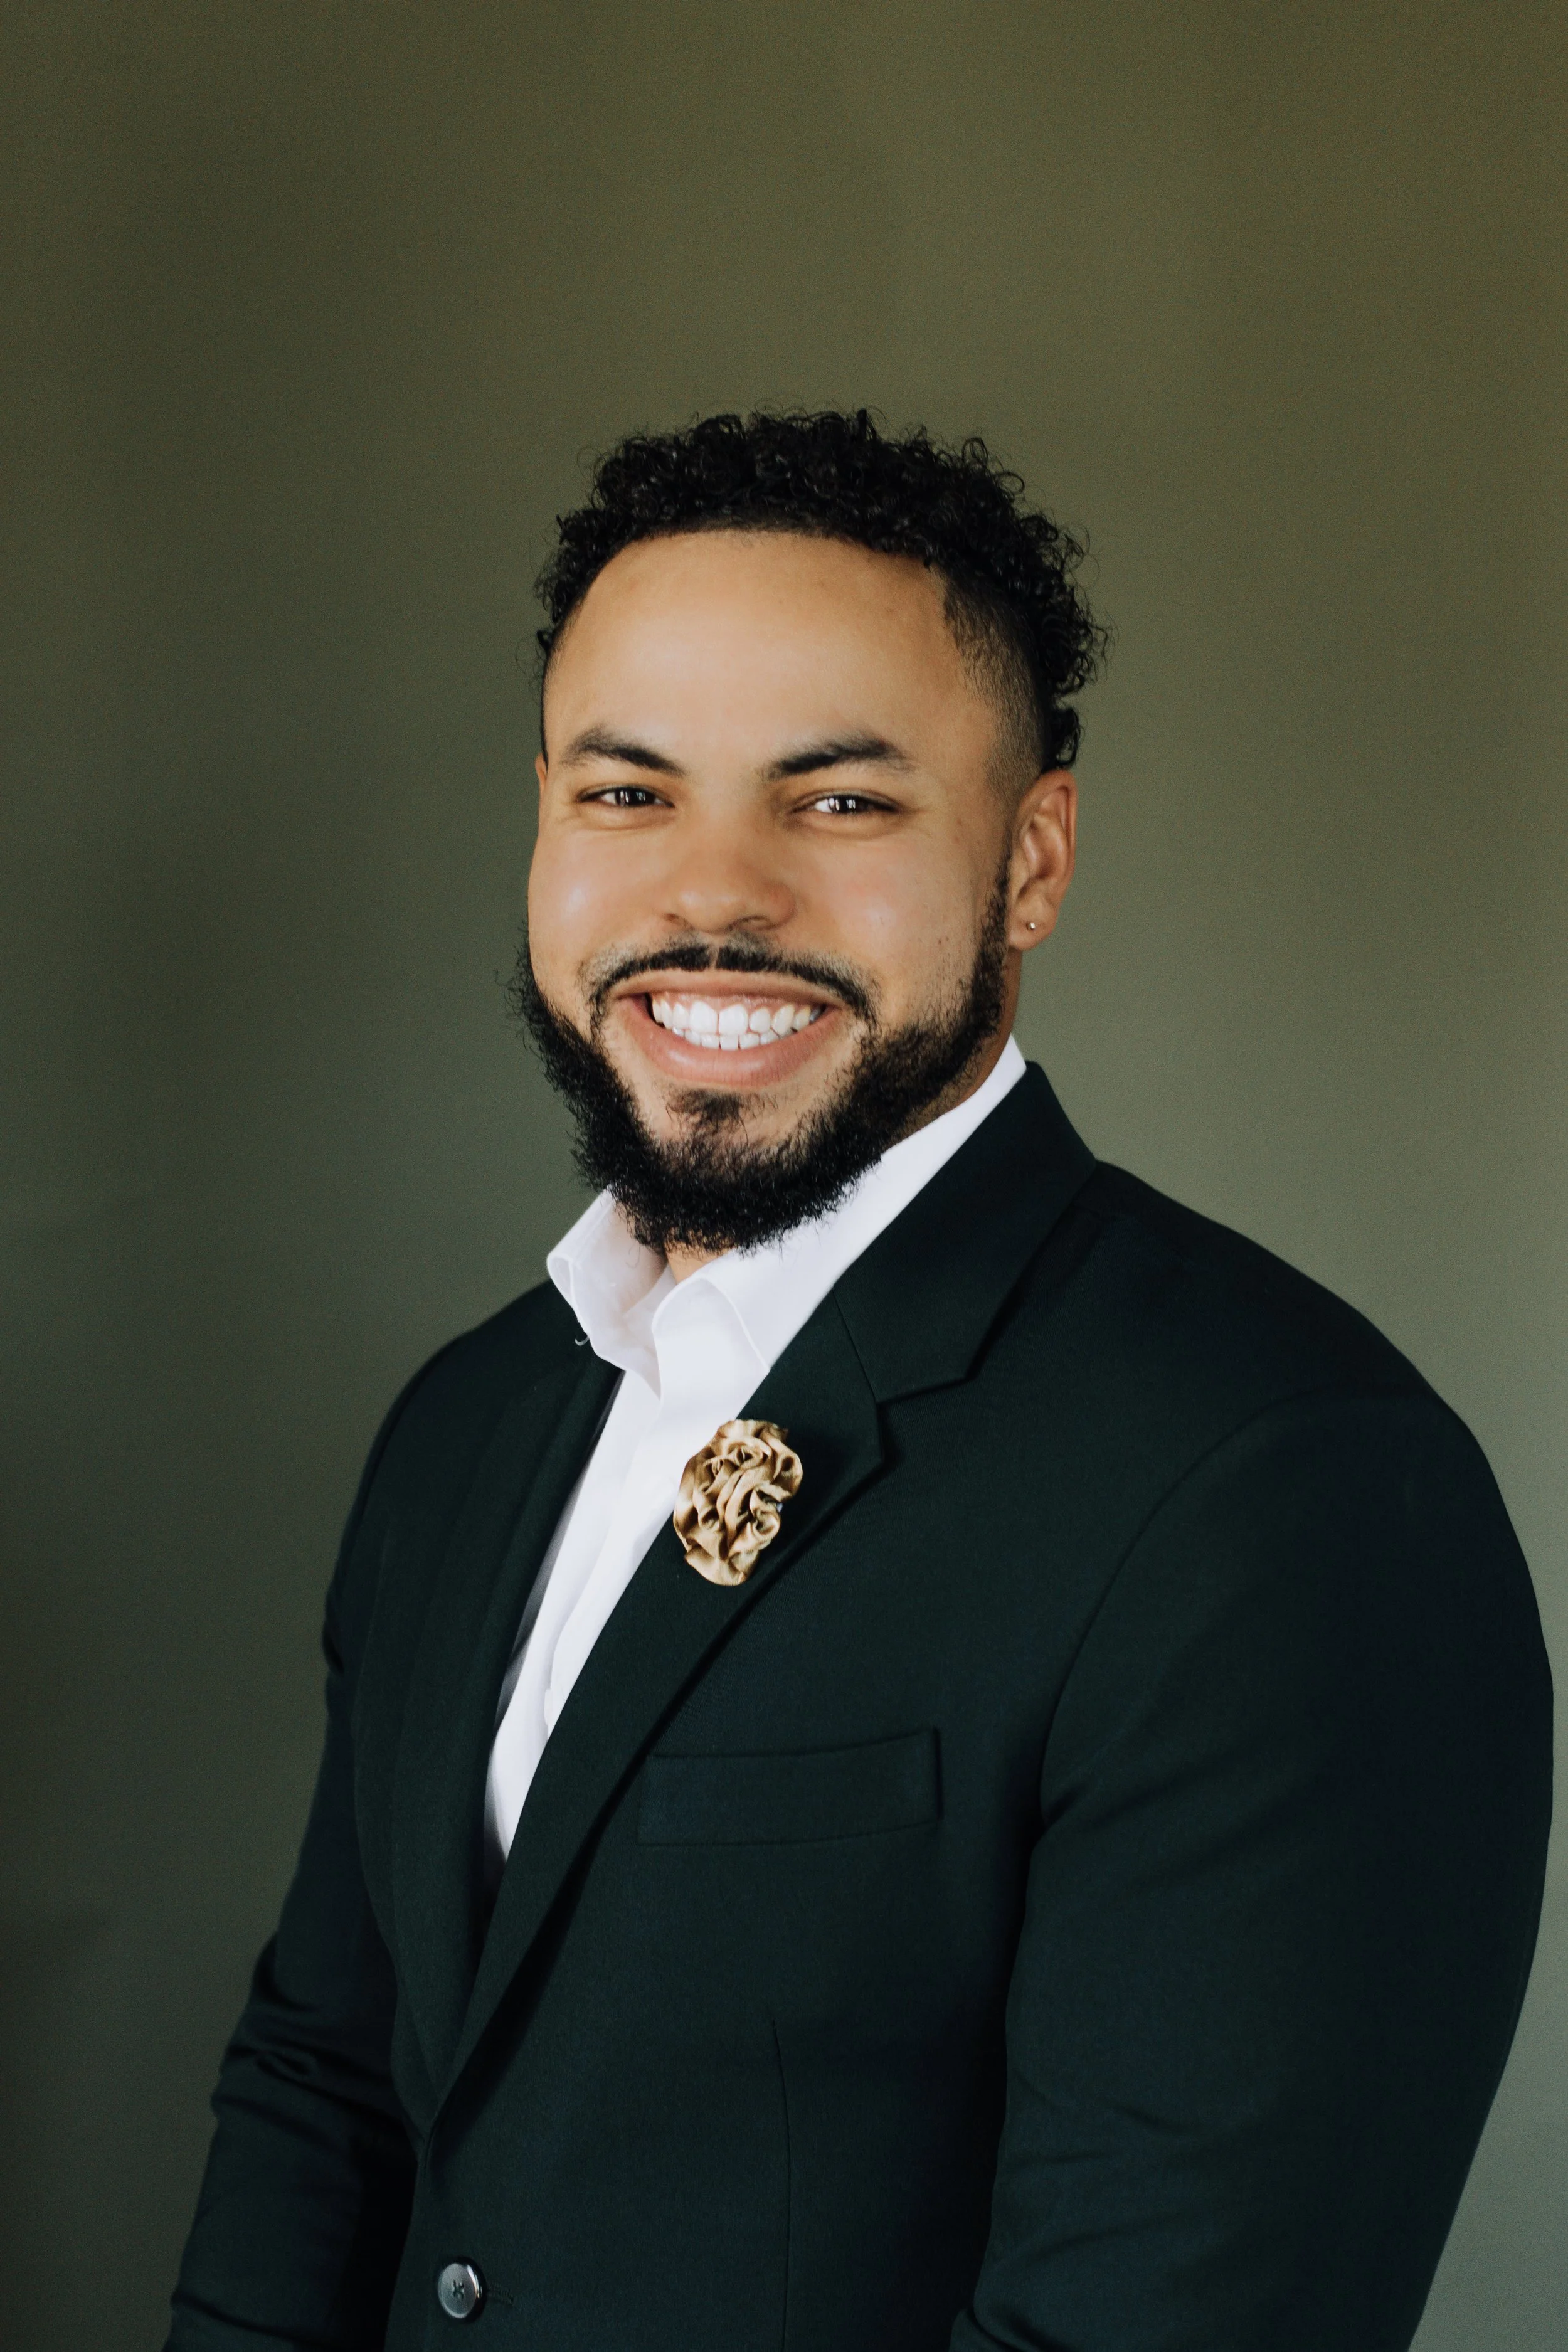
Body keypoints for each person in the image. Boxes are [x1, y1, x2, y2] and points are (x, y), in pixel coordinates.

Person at [166, 410, 1551, 2352]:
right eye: (625, 795)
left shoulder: (1291, 1484)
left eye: (836, 803)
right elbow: (324, 2087)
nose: (710, 893)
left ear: (1034, 854)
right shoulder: (469, 1423)